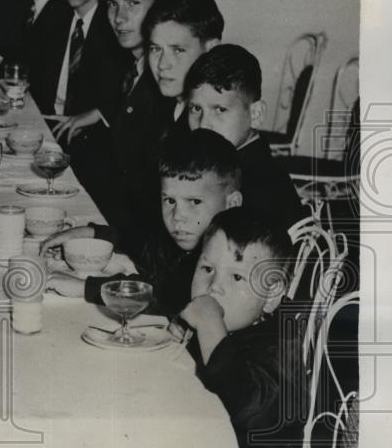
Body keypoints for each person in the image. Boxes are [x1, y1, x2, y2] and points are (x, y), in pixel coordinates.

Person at [173, 207, 303, 448]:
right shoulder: (241, 323)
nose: (214, 285)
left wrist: (209, 326)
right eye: (207, 268)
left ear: (273, 295)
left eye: (237, 278)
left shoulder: (281, 347)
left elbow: (248, 404)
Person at [42, 128, 243, 318]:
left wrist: (85, 287)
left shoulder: (226, 259)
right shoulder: (192, 237)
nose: (178, 216)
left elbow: (166, 298)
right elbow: (145, 245)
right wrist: (91, 233)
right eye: (170, 201)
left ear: (232, 203)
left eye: (195, 202)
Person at [65, 0, 174, 230]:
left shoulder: (165, 84)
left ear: (160, 7)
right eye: (112, 4)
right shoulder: (133, 69)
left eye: (133, 3)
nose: (119, 18)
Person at [185, 44, 307, 231]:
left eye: (220, 110)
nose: (203, 124)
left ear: (256, 114)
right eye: (196, 109)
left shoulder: (259, 183)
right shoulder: (222, 161)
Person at [144, 0, 224, 124]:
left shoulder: (218, 124)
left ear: (211, 50)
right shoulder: (163, 107)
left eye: (178, 50)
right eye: (156, 49)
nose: (162, 64)